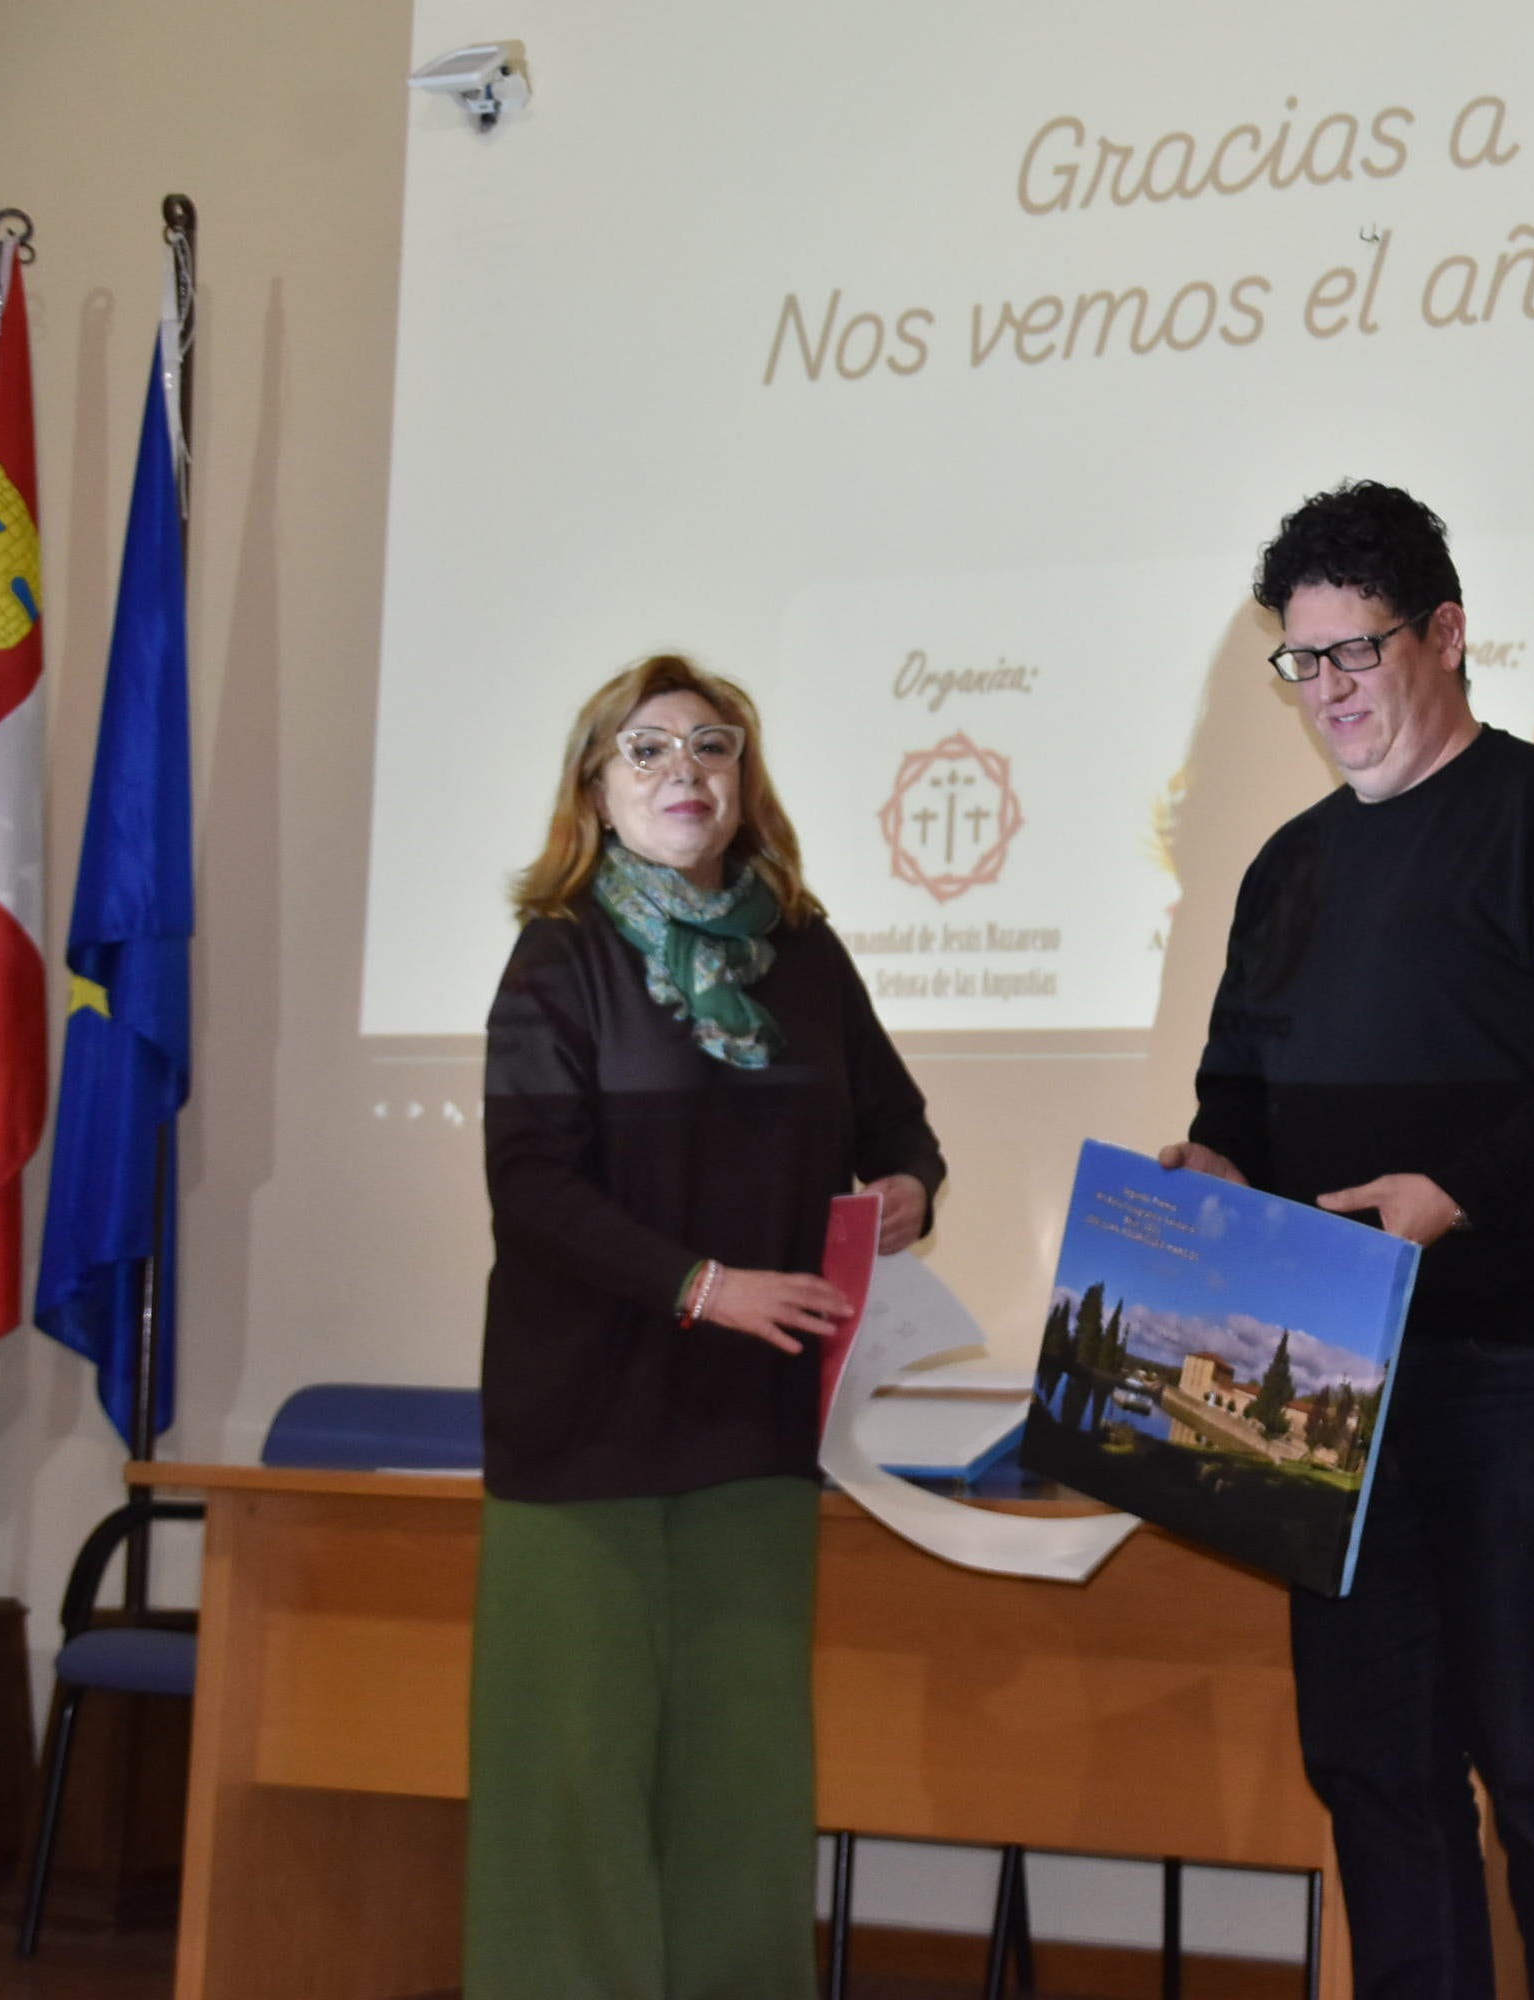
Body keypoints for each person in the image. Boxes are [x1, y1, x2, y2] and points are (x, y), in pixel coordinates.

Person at [1160, 481, 1534, 1999]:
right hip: (1326, 1366)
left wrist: (1455, 1191)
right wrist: (1206, 1168)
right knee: (1372, 1758)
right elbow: (1237, 1107)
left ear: (1448, 636)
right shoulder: (1286, 870)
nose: (1328, 691)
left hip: (1523, 1362)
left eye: (1357, 651)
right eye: (1303, 660)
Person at [468, 654, 945, 1998]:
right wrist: (704, 1286)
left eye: (714, 747)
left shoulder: (802, 947)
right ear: (596, 791)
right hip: (586, 1431)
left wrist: (912, 1181)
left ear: (745, 784)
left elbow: (895, 1121)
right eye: (650, 749)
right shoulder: (561, 956)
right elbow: (533, 1192)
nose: (688, 770)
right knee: (572, 1789)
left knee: (742, 1790)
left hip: (752, 1429)